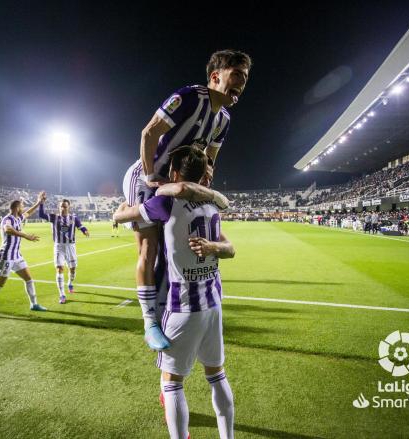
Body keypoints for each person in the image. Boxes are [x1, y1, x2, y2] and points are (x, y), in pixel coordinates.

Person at [121, 50, 250, 349]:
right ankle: (149, 321)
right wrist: (152, 177)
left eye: (245, 77)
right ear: (216, 76)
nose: (242, 82)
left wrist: (203, 185)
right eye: (236, 74)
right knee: (149, 248)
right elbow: (149, 133)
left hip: (177, 182)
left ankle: (167, 311)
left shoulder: (224, 120)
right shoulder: (190, 97)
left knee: (172, 253)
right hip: (146, 177)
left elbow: (210, 160)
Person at [114, 145, 236, 439]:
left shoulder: (164, 203)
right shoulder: (211, 206)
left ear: (174, 172)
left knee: (172, 384)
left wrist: (118, 211)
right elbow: (228, 247)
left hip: (182, 306)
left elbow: (125, 217)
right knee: (217, 376)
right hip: (213, 304)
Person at [0, 198, 47, 317]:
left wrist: (39, 203)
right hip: (6, 256)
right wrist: (25, 236)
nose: (23, 208)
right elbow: (8, 229)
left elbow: (28, 212)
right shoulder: (7, 219)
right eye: (22, 206)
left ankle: (34, 304)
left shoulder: (18, 219)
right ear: (17, 207)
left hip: (17, 256)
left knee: (29, 279)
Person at [37, 192, 90, 304]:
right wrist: (41, 203)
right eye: (61, 206)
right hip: (59, 246)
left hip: (71, 246)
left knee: (72, 269)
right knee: (59, 268)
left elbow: (81, 226)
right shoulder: (54, 217)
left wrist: (85, 231)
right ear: (59, 207)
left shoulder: (74, 218)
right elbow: (41, 215)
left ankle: (70, 282)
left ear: (68, 207)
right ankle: (62, 294)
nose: (62, 208)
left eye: (65, 206)